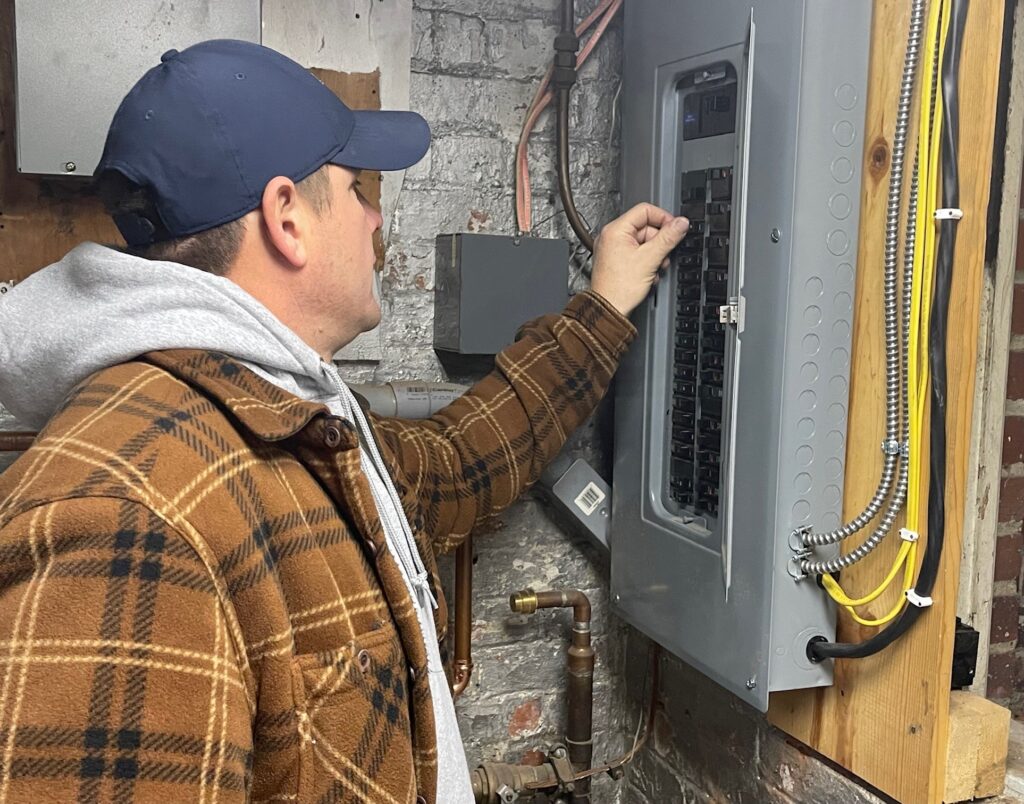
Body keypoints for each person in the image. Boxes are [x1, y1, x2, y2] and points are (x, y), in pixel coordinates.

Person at [0, 39, 687, 803]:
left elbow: (454, 464)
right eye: (355, 189)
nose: (374, 218)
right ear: (286, 218)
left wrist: (603, 304)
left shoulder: (285, 410)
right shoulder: (125, 513)